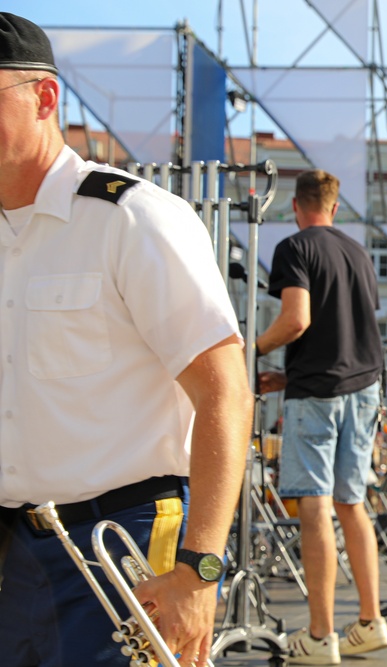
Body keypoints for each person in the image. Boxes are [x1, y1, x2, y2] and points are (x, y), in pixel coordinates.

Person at [0, 13, 253, 667]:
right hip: (14, 555)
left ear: (44, 98)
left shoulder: (132, 218)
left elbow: (226, 392)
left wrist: (201, 569)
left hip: (120, 548)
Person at [256, 169, 387, 665]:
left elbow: (297, 321)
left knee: (313, 505)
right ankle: (371, 621)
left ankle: (319, 635)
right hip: (363, 390)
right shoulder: (358, 253)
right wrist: (285, 379)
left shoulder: (294, 248)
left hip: (318, 397)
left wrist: (251, 350)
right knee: (352, 503)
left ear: (296, 206)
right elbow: (345, 340)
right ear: (334, 207)